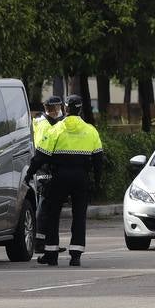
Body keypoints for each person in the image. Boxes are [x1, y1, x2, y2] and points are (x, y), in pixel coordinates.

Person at [31, 94, 105, 267]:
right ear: (80, 109)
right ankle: (76, 255)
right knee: (79, 216)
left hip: (59, 177)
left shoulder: (56, 129)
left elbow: (42, 155)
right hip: (81, 178)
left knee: (53, 214)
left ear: (65, 108)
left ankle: (51, 254)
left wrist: (31, 172)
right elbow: (99, 160)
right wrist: (97, 182)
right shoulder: (91, 130)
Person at [28, 96, 64, 257]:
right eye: (55, 108)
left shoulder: (49, 122)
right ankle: (40, 242)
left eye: (58, 107)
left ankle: (49, 242)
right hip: (44, 168)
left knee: (48, 207)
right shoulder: (44, 124)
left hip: (48, 167)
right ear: (49, 108)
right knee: (44, 206)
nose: (57, 110)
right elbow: (44, 149)